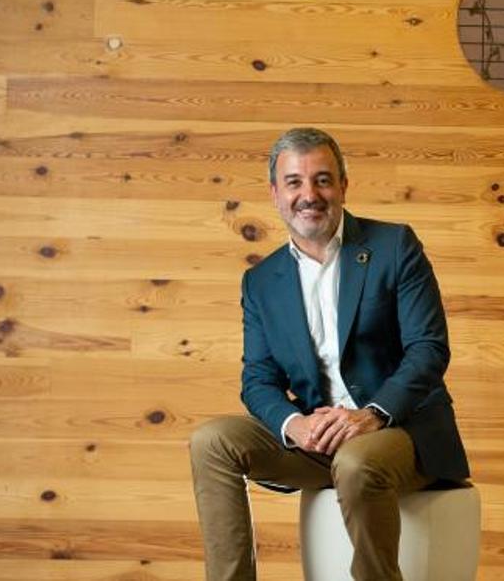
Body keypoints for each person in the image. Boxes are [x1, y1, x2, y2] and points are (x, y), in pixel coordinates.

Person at [189, 127, 470, 581]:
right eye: (295, 182)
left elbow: (428, 348)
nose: (309, 195)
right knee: (212, 441)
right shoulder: (261, 282)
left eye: (322, 179)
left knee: (356, 462)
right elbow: (257, 380)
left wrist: (373, 414)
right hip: (317, 440)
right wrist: (294, 424)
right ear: (275, 194)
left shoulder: (394, 247)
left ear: (343, 185)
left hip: (401, 430)